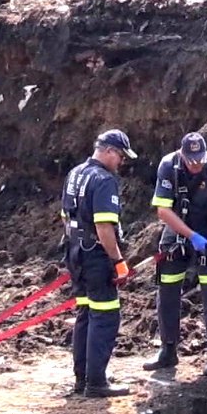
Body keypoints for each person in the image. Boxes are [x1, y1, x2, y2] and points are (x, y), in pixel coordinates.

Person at [142, 132, 207, 376]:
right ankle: (168, 349)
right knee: (167, 287)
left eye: (200, 160)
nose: (196, 165)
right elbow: (163, 211)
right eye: (191, 160)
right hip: (177, 226)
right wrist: (189, 236)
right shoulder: (168, 166)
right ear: (182, 154)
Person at [61, 129, 139, 398]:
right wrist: (118, 261)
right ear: (108, 151)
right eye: (120, 157)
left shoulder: (75, 174)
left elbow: (65, 217)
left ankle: (82, 378)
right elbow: (104, 226)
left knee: (85, 314)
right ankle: (96, 382)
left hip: (74, 252)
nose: (121, 163)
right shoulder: (104, 181)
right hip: (95, 255)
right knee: (105, 315)